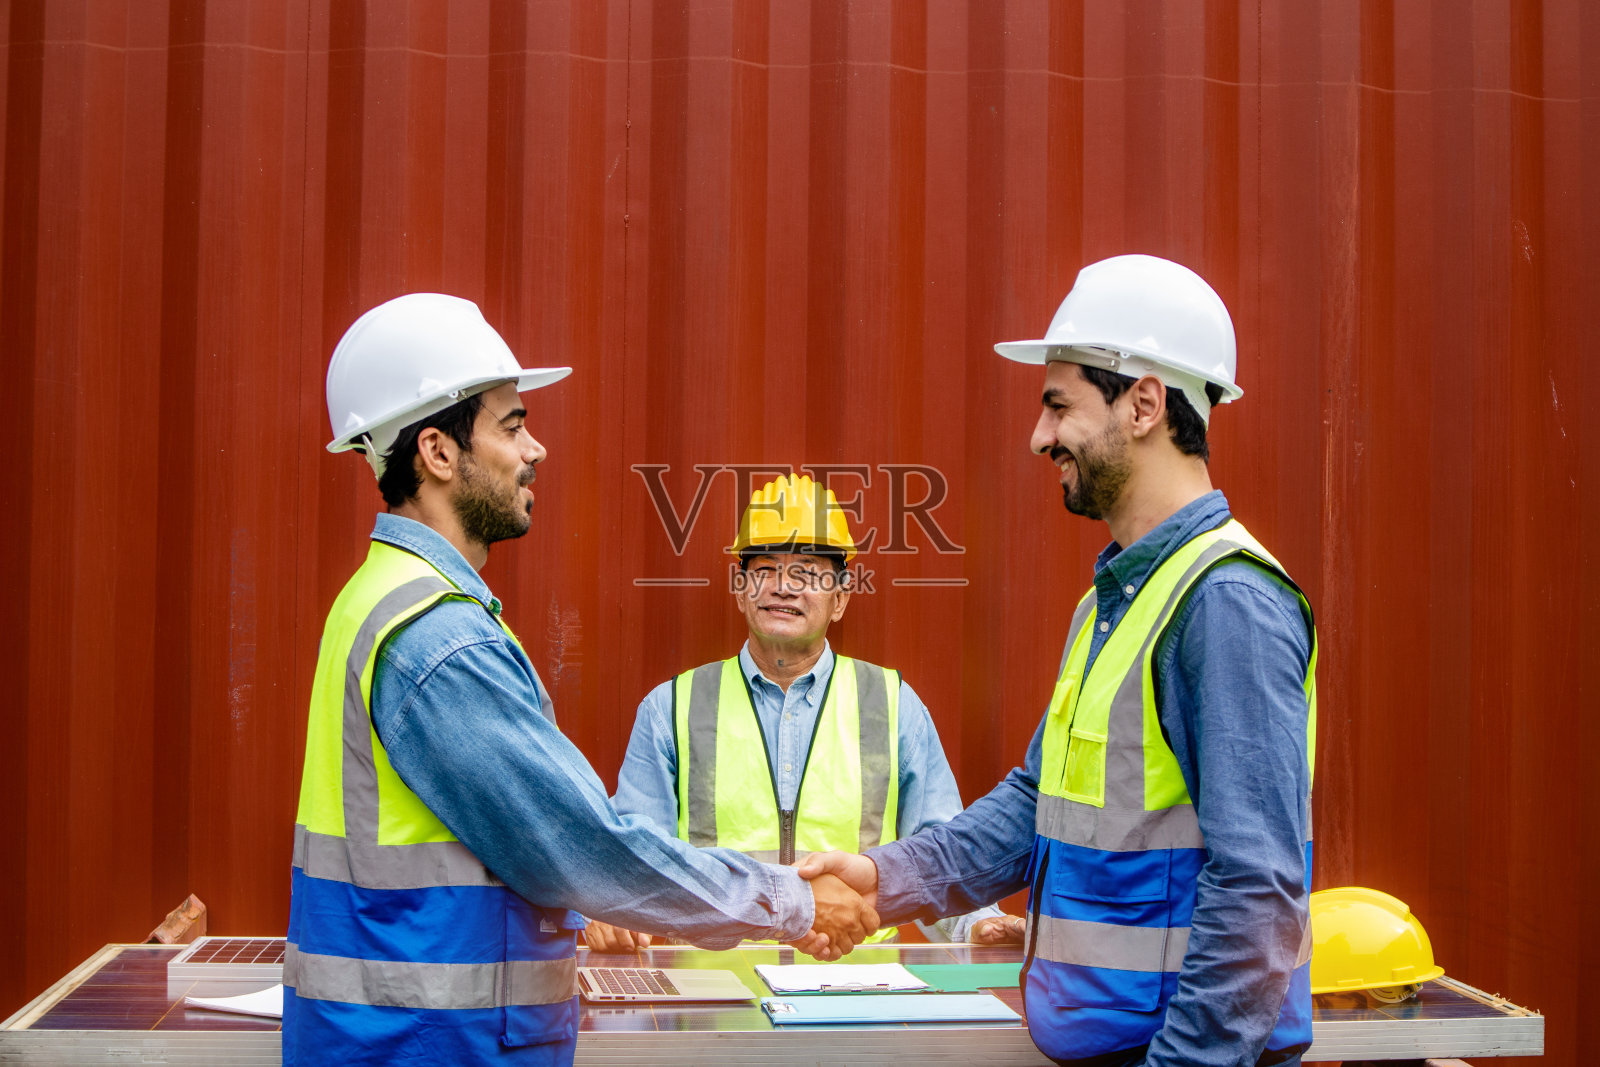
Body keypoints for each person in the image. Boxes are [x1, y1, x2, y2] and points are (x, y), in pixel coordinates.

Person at [285, 294, 876, 1066]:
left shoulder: (380, 597)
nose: (536, 449)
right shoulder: (439, 637)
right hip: (432, 1043)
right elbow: (583, 846)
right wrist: (791, 901)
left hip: (396, 1035)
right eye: (512, 425)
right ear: (436, 451)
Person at [800, 255, 1318, 1066]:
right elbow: (1034, 805)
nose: (1039, 436)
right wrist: (882, 876)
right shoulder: (1116, 600)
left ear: (1144, 403)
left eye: (1058, 404)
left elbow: (1258, 889)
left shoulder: (1225, 602)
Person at [584, 473, 1024, 952]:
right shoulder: (670, 708)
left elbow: (937, 849)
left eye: (809, 572)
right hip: (718, 1002)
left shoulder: (894, 704)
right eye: (767, 568)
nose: (785, 587)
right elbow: (638, 861)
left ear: (841, 598)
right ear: (740, 589)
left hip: (860, 996)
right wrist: (613, 912)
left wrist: (975, 924)